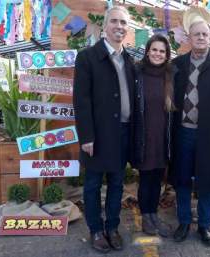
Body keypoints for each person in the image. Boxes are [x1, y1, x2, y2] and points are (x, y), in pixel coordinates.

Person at [169, 7, 210, 247]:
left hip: (209, 135)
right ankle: (184, 222)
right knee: (182, 179)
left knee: (207, 182)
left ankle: (205, 226)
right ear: (188, 38)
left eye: (204, 34)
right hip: (183, 133)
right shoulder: (177, 64)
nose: (200, 38)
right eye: (196, 34)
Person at [73, 6, 134, 253]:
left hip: (123, 133)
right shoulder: (88, 57)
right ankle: (96, 230)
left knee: (118, 184)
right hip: (97, 135)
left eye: (124, 23)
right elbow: (81, 101)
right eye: (115, 21)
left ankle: (112, 227)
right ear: (105, 25)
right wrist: (86, 136)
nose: (120, 26)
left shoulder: (130, 60)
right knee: (93, 184)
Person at [132, 34, 174, 237]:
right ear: (148, 51)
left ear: (167, 55)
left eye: (162, 51)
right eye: (154, 49)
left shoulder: (170, 76)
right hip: (143, 137)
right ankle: (145, 216)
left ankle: (153, 214)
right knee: (145, 178)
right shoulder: (137, 73)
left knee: (157, 178)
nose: (158, 54)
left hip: (162, 138)